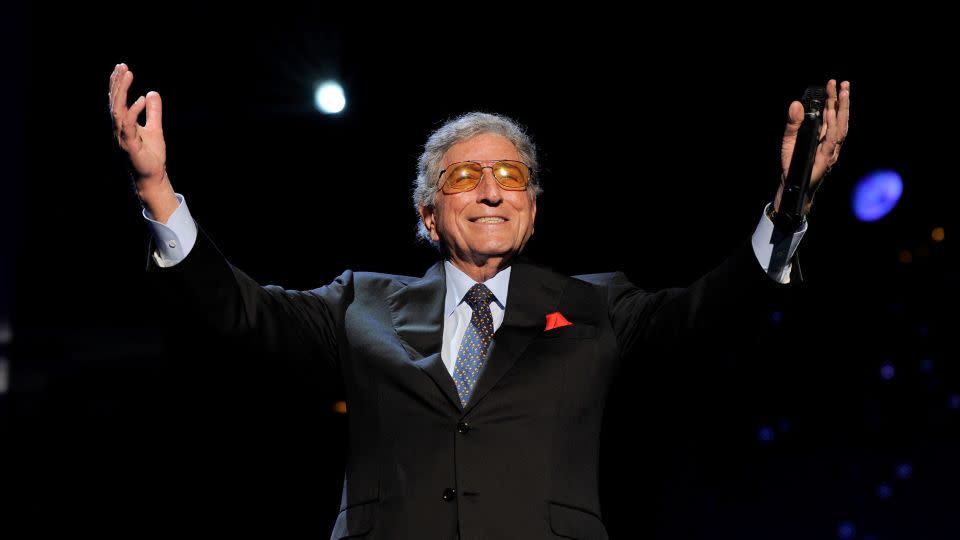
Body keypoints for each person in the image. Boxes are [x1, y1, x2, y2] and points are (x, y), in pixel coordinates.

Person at [108, 63, 850, 540]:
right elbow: (242, 314)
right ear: (429, 215)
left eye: (510, 175)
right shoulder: (359, 303)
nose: (493, 188)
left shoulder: (596, 307)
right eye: (466, 178)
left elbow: (711, 312)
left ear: (532, 211)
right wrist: (156, 192)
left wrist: (791, 207)